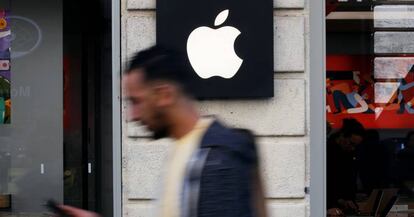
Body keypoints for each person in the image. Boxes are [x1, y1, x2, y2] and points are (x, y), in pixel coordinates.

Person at [58, 45, 267, 217]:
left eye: (136, 101)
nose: (132, 115)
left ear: (164, 95)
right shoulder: (188, 150)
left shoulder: (217, 159)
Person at [327, 118, 365, 215]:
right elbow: (328, 182)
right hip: (330, 206)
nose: (352, 148)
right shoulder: (327, 152)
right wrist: (339, 200)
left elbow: (348, 180)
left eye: (356, 146)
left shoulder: (348, 154)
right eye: (351, 143)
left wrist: (348, 199)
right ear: (342, 136)